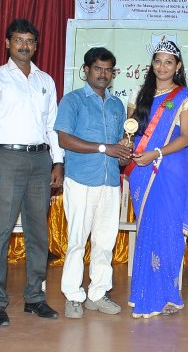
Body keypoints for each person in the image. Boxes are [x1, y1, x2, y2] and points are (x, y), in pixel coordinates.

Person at [0, 18, 64, 324]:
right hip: (6, 160)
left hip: (40, 161)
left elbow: (52, 126)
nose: (24, 46)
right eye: (18, 40)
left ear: (36, 46)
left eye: (30, 41)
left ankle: (35, 298)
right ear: (7, 43)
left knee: (38, 232)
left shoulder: (45, 80)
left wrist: (58, 161)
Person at [126, 39, 188, 318]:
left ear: (178, 66)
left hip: (170, 170)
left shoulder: (184, 99)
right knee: (147, 229)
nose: (162, 66)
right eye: (158, 61)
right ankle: (143, 292)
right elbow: (132, 134)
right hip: (142, 171)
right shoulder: (139, 95)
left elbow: (186, 138)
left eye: (169, 62)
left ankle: (168, 294)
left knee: (168, 231)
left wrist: (156, 152)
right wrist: (130, 148)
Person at [54, 47, 132, 319]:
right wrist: (104, 148)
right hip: (81, 180)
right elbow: (64, 139)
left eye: (108, 70)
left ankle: (98, 294)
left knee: (105, 242)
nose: (103, 74)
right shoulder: (73, 100)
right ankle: (73, 296)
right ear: (86, 70)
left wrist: (123, 152)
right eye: (98, 68)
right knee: (77, 241)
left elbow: (118, 145)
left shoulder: (117, 105)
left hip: (110, 181)